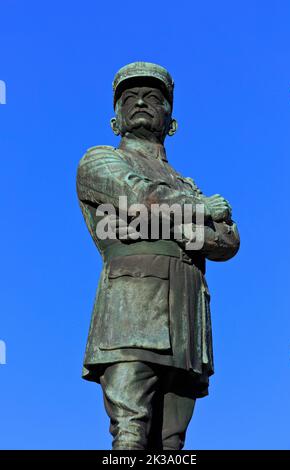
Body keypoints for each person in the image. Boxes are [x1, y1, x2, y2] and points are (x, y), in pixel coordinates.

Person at [76, 62, 240, 450]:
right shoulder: (100, 161)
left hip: (186, 322)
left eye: (153, 98)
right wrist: (198, 214)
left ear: (172, 121)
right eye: (129, 98)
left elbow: (229, 240)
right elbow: (134, 196)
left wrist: (166, 220)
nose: (140, 103)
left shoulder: (185, 182)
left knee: (172, 441)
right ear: (114, 120)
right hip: (130, 315)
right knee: (130, 432)